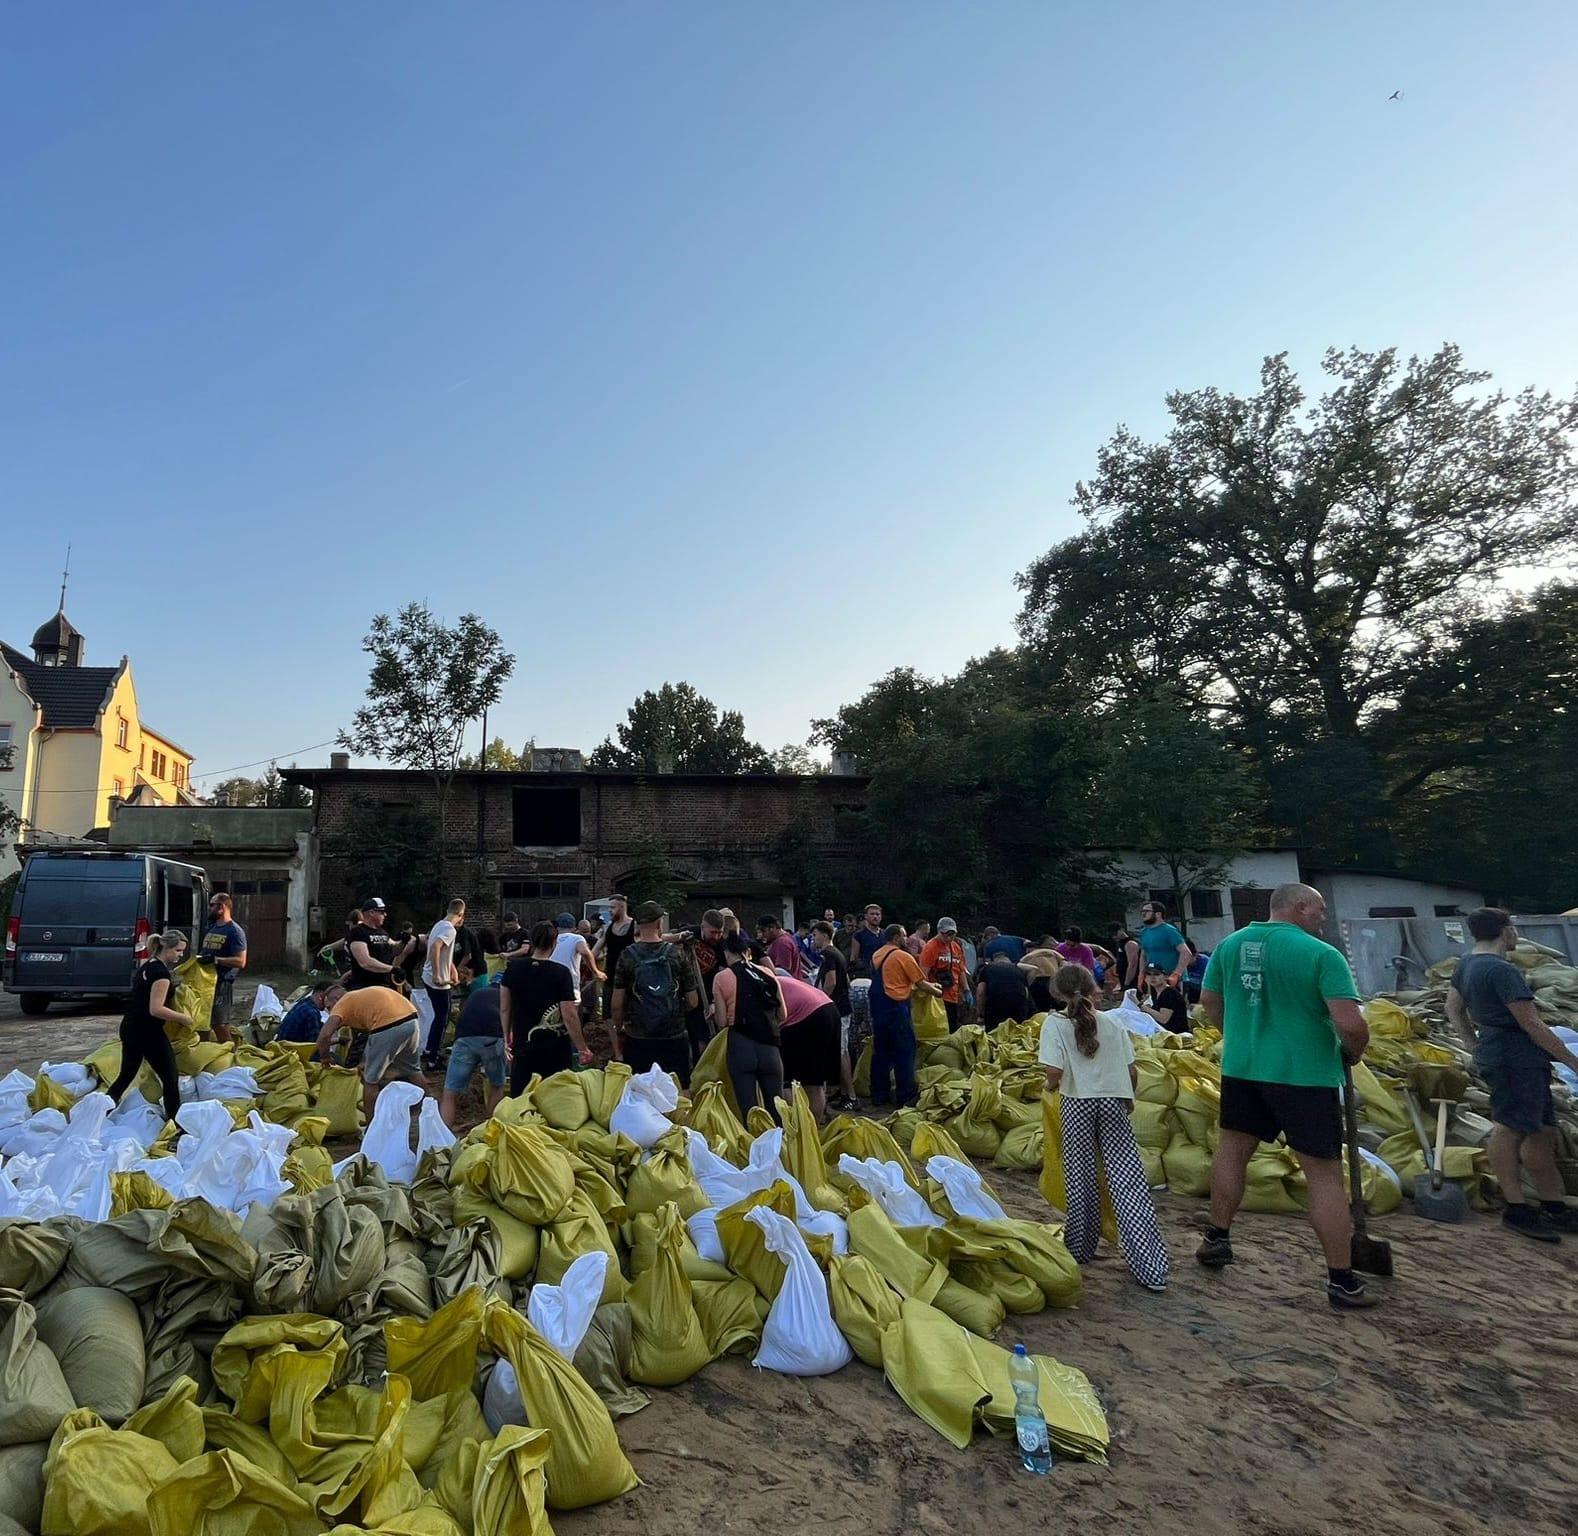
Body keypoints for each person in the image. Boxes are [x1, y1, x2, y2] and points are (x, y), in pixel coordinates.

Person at [1197, 882, 1376, 1309]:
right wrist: (1352, 1051)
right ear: (1299, 907)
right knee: (1324, 1174)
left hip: (1244, 1068)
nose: (1323, 918)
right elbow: (1350, 1024)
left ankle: (1217, 1238)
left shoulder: (1231, 946)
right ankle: (1341, 1277)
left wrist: (1235, 1035)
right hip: (1305, 1075)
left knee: (1232, 1150)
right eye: (1319, 910)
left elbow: (1209, 999)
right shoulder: (1322, 955)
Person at [1446, 907, 1578, 1241]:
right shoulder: (1500, 970)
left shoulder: (1467, 963)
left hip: (1504, 1053)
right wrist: (1572, 1061)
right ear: (1506, 931)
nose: (1516, 935)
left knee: (1542, 1130)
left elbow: (1452, 1008)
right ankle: (1517, 1208)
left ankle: (1553, 1205)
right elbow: (1531, 1023)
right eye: (1514, 929)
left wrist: (1474, 1044)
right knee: (1509, 1129)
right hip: (1514, 1057)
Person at [1042, 962, 1169, 1291]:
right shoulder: (1112, 1023)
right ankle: (1150, 1268)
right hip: (1115, 1101)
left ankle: (1079, 1249)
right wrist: (1128, 1099)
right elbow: (1132, 1072)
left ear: (1057, 992)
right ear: (1093, 988)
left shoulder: (1054, 1024)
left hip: (1077, 1103)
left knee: (1080, 1178)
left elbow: (1054, 1073)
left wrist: (1048, 1089)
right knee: (1128, 1183)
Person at [106, 928, 191, 1123]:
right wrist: (182, 1017)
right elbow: (156, 1009)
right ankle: (174, 1121)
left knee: (126, 1075)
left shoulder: (147, 966)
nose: (180, 955)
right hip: (147, 1031)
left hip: (130, 1026)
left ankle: (100, 1109)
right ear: (166, 948)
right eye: (178, 951)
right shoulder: (161, 974)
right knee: (170, 1076)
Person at [500, 920, 592, 1097]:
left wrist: (506, 1038)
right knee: (554, 1098)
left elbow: (505, 1007)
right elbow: (569, 1015)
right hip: (555, 1047)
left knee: (522, 1097)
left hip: (524, 1043)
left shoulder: (513, 969)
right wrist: (582, 1047)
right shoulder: (561, 972)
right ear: (554, 943)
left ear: (532, 942)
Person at [612, 901, 701, 1082]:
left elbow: (616, 1004)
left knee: (639, 1091)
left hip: (638, 1037)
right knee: (679, 1090)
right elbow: (693, 1001)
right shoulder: (677, 954)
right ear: (660, 923)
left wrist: (619, 1026)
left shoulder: (627, 955)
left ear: (637, 924)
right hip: (674, 1035)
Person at [315, 980, 426, 1121]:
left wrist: (325, 1058)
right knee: (413, 1070)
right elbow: (364, 1037)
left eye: (329, 1007)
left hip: (387, 1025)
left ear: (336, 999)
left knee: (370, 1081)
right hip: (411, 1020)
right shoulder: (360, 999)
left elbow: (324, 1036)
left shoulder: (343, 1003)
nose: (330, 1011)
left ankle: (371, 1126)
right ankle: (432, 1107)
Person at [711, 931, 786, 1125]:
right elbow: (783, 1014)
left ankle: (753, 1150)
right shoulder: (768, 973)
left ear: (727, 954)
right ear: (748, 952)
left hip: (740, 1045)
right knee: (776, 1109)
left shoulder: (721, 977)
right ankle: (781, 1151)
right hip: (770, 1047)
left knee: (750, 1111)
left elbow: (721, 1021)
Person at [870, 923, 940, 1107]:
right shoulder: (903, 956)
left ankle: (879, 1095)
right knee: (904, 1053)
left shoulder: (877, 954)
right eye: (903, 935)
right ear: (895, 937)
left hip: (879, 1010)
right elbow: (921, 983)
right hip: (897, 1009)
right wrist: (939, 992)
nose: (907, 938)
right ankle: (905, 1096)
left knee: (881, 1053)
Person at [772, 962, 843, 1120]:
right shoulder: (784, 981)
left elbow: (774, 1022)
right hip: (829, 1010)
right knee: (815, 1081)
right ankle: (814, 1128)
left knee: (788, 1080)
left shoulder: (766, 986)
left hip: (810, 1017)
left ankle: (799, 1127)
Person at [440, 978, 510, 1127]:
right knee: (497, 1085)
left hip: (464, 1038)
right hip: (492, 1039)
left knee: (449, 1093)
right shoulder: (507, 997)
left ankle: (441, 1141)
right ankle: (490, 1130)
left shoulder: (478, 993)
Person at [812, 920, 857, 1109]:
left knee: (840, 1052)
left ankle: (851, 1096)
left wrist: (819, 1001)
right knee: (842, 1050)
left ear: (824, 934)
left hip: (836, 1009)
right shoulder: (837, 953)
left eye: (815, 935)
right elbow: (845, 979)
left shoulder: (828, 954)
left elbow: (831, 981)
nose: (813, 939)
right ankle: (844, 1091)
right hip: (842, 1007)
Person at [420, 897, 466, 1073]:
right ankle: (433, 1057)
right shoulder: (450, 930)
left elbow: (443, 950)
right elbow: (435, 948)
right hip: (437, 982)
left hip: (428, 976)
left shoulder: (439, 924)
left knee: (440, 1017)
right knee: (442, 1019)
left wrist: (452, 970)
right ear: (461, 914)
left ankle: (429, 1050)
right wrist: (439, 974)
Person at [199, 891, 248, 1042]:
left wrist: (216, 960)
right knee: (203, 1024)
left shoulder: (234, 931)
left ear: (223, 907)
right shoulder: (212, 928)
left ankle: (230, 1055)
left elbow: (241, 961)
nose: (209, 908)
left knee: (220, 1024)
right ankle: (205, 1055)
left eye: (212, 905)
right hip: (205, 983)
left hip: (222, 984)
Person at [346, 898, 416, 990]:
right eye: (382, 912)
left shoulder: (382, 932)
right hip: (364, 986)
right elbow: (365, 962)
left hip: (384, 985)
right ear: (371, 912)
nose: (385, 915)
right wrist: (391, 969)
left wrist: (403, 941)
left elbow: (394, 950)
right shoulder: (358, 932)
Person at [918, 917, 969, 1030]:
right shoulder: (931, 947)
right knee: (942, 1029)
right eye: (946, 934)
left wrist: (966, 989)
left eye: (952, 934)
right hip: (938, 996)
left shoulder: (956, 947)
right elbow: (923, 973)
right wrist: (928, 993)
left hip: (954, 995)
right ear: (939, 931)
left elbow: (961, 970)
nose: (949, 937)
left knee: (954, 1026)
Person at [550, 911, 603, 1012]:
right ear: (574, 928)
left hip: (551, 983)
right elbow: (585, 952)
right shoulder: (577, 938)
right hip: (570, 983)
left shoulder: (551, 938)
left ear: (557, 927)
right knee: (573, 1013)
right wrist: (596, 971)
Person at [977, 949, 1032, 1030]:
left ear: (994, 960)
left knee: (994, 1033)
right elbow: (1026, 990)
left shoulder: (987, 968)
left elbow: (980, 992)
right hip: (1018, 1002)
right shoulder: (1018, 969)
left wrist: (980, 1014)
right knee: (1017, 1031)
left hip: (996, 1003)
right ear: (1008, 959)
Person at [592, 894, 636, 993]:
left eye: (612, 907)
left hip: (630, 978)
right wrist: (595, 970)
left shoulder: (635, 926)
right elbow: (594, 952)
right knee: (608, 1007)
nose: (609, 910)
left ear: (622, 907)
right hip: (611, 978)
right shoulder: (608, 928)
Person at [1136, 902, 1189, 983]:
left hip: (1171, 979)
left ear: (1158, 914)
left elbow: (1186, 953)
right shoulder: (1144, 932)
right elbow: (1143, 955)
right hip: (1153, 979)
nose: (1143, 914)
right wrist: (1141, 974)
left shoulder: (1169, 930)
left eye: (1147, 911)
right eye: (1142, 911)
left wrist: (1176, 974)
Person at [1139, 963, 1190, 1034]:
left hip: (1176, 1035)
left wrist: (1146, 1009)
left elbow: (1164, 1018)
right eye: (1149, 974)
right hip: (1164, 1032)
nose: (1152, 977)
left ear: (1165, 977)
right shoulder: (1155, 991)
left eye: (1156, 974)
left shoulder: (1169, 993)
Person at [758, 914, 802, 980]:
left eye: (763, 931)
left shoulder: (782, 943)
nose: (762, 935)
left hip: (786, 986)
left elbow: (782, 972)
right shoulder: (786, 938)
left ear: (772, 928)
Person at [850, 904, 886, 978]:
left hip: (884, 971)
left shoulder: (885, 934)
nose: (875, 917)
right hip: (866, 973)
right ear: (866, 916)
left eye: (877, 914)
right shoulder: (858, 935)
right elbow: (854, 958)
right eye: (872, 914)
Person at [1109, 924, 1143, 992]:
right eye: (1112, 935)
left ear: (1122, 930)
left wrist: (1127, 983)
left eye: (1116, 933)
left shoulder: (1130, 943)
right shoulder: (1119, 944)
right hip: (1123, 977)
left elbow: (1132, 965)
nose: (1114, 936)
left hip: (1133, 980)